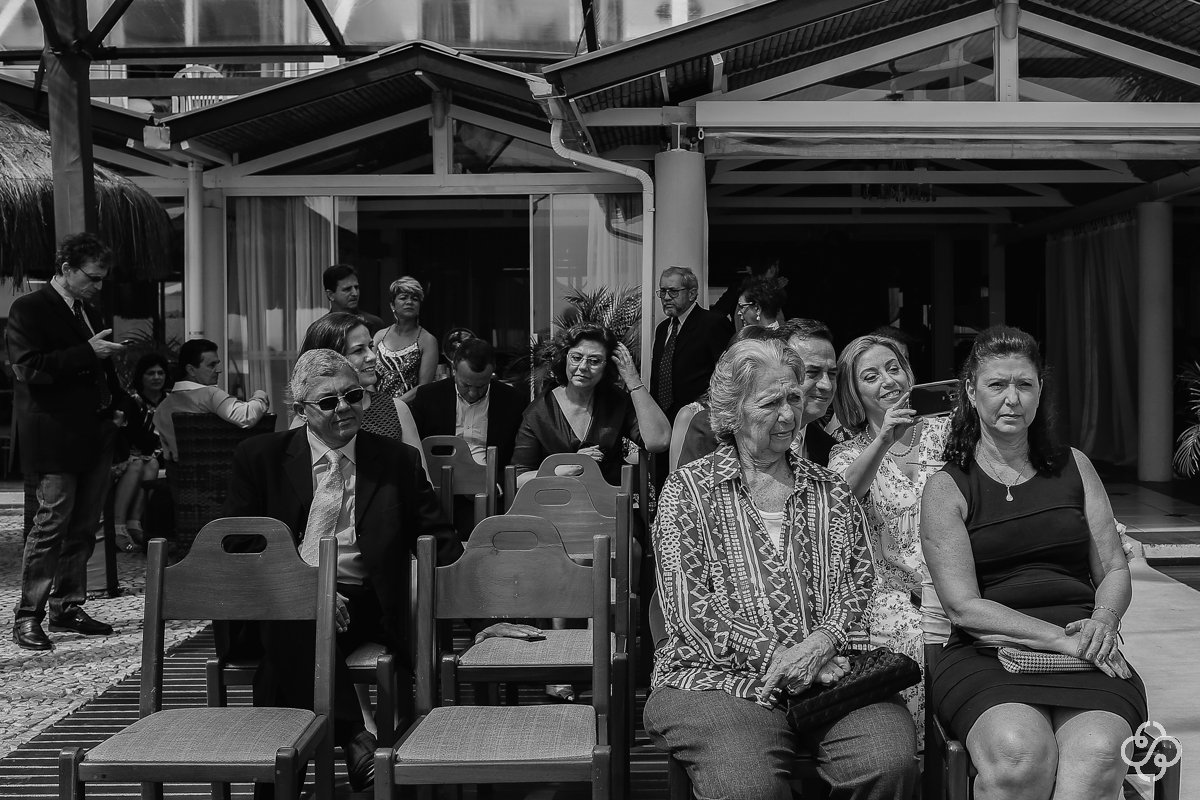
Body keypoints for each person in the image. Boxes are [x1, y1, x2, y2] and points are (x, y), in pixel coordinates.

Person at [646, 337, 917, 800]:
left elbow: (858, 582)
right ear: (731, 412)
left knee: (886, 761)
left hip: (830, 671)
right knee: (748, 787)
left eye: (793, 398)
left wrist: (819, 645)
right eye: (770, 403)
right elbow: (688, 609)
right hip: (717, 680)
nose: (788, 415)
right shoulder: (687, 490)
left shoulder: (830, 489)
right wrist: (778, 657)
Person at [222, 350, 464, 792]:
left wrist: (485, 615)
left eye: (353, 396)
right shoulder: (259, 457)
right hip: (278, 600)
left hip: (366, 605)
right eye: (328, 401)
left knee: (281, 660)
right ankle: (355, 735)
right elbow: (241, 546)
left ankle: (286, 780)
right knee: (297, 612)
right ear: (301, 410)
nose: (344, 408)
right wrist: (309, 589)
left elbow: (440, 543)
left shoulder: (397, 461)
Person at [923, 326, 1144, 800]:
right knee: (1018, 755)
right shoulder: (947, 487)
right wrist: (1060, 642)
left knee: (1100, 754)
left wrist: (1103, 620)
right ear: (971, 392)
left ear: (1040, 390)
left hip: (1087, 651)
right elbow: (963, 607)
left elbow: (1114, 569)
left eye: (1024, 384)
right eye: (996, 385)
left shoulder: (1075, 466)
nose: (1012, 398)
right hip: (989, 653)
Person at [827, 333, 951, 739]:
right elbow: (842, 497)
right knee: (908, 648)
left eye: (894, 368)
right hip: (893, 600)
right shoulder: (848, 453)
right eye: (871, 376)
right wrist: (884, 439)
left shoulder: (948, 433)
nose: (888, 381)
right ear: (854, 393)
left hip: (955, 589)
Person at [8, 232, 129, 650]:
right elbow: (27, 368)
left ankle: (67, 605)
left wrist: (119, 407)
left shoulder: (87, 310)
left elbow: (101, 366)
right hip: (55, 433)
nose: (99, 285)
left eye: (103, 278)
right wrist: (87, 352)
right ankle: (28, 615)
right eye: (93, 277)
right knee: (51, 523)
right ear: (66, 269)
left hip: (96, 430)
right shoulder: (29, 308)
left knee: (84, 525)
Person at [513, 322, 670, 491]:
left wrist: (633, 380)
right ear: (565, 359)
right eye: (576, 358)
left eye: (594, 361)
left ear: (607, 366)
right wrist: (564, 469)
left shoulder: (616, 401)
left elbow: (659, 441)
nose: (583, 367)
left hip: (611, 501)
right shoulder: (540, 411)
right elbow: (518, 479)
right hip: (557, 502)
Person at [676, 320, 841, 469]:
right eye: (812, 372)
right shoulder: (712, 429)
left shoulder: (828, 448)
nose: (826, 385)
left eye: (832, 374)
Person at [408, 337, 525, 535]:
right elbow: (413, 448)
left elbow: (519, 456)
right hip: (438, 486)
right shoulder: (429, 396)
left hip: (490, 490)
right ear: (454, 370)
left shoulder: (513, 401)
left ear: (492, 374)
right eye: (465, 384)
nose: (472, 393)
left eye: (481, 386)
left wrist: (494, 485)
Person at [298, 312, 426, 471]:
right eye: (358, 350)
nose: (372, 356)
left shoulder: (397, 410)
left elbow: (421, 479)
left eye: (370, 346)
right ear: (328, 360)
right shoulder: (308, 413)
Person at [153, 339, 271, 461]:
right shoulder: (209, 395)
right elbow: (246, 416)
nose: (219, 370)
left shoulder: (161, 409)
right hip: (223, 467)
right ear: (191, 370)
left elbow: (166, 455)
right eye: (211, 365)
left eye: (217, 364)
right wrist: (260, 395)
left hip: (181, 471)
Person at [111, 353, 170, 552]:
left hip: (162, 458)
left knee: (151, 463)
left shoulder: (170, 401)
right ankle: (118, 527)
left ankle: (134, 523)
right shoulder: (133, 402)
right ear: (141, 377)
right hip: (131, 457)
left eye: (160, 373)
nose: (156, 377)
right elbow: (133, 438)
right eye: (150, 373)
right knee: (139, 464)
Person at [373, 276, 438, 405]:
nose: (409, 302)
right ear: (392, 304)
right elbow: (366, 373)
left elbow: (423, 386)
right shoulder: (380, 336)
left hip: (409, 410)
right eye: (403, 298)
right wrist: (375, 404)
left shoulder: (427, 340)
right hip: (375, 408)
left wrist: (392, 406)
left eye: (415, 299)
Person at [324, 264, 385, 335]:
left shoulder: (374, 323)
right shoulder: (322, 328)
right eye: (347, 289)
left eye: (356, 287)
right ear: (330, 295)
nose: (355, 293)